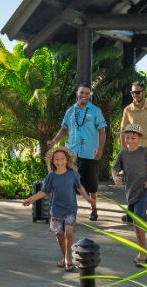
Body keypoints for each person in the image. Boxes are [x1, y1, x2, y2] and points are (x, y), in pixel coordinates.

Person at [23, 147, 96, 273]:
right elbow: (43, 192)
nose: (60, 161)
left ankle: (67, 259)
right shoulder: (51, 176)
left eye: (62, 158)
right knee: (59, 236)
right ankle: (66, 256)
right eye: (56, 159)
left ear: (67, 159)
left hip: (70, 209)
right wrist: (31, 199)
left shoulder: (72, 174)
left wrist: (88, 198)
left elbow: (80, 187)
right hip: (56, 210)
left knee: (69, 230)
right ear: (52, 161)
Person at [49, 83, 106, 221]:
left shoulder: (95, 111)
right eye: (82, 93)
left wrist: (100, 149)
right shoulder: (70, 111)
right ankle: (71, 212)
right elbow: (64, 129)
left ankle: (94, 210)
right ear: (77, 93)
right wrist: (55, 140)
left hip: (90, 152)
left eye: (87, 93)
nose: (84, 96)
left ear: (90, 94)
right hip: (72, 153)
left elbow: (102, 131)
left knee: (92, 185)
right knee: (70, 183)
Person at [112, 123, 147, 264]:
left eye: (133, 138)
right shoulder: (123, 154)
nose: (130, 141)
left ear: (139, 138)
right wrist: (116, 177)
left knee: (138, 222)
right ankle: (131, 218)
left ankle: (142, 254)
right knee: (133, 219)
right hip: (130, 192)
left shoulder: (145, 152)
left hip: (143, 190)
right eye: (127, 138)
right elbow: (114, 169)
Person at [119, 81, 147, 222]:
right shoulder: (127, 110)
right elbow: (123, 131)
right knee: (134, 182)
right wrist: (124, 151)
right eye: (132, 92)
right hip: (133, 152)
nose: (135, 95)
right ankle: (136, 211)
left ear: (144, 92)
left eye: (137, 92)